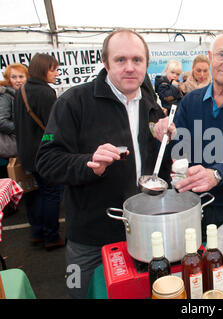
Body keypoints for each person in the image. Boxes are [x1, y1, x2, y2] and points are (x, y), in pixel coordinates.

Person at [35, 29, 171, 298]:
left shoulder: (150, 102)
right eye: (120, 60)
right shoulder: (73, 102)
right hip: (90, 236)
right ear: (106, 63)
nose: (129, 68)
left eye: (137, 60)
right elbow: (46, 160)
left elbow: (153, 160)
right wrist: (89, 163)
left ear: (146, 63)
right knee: (79, 293)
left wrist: (166, 141)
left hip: (145, 228)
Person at [153, 32, 223, 239]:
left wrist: (215, 174)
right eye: (221, 55)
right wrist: (166, 134)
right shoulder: (190, 101)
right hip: (192, 205)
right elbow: (179, 149)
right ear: (211, 56)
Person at [13, 54, 64, 251]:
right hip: (43, 153)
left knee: (33, 194)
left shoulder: (22, 90)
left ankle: (36, 233)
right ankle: (51, 236)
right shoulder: (45, 93)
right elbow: (53, 129)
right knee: (51, 194)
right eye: (53, 70)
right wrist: (56, 144)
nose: (56, 73)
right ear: (43, 70)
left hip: (26, 152)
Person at [0, 63, 29, 177]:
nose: (18, 80)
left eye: (21, 77)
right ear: (8, 79)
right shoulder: (5, 95)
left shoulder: (20, 94)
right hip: (7, 150)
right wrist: (23, 131)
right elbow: (1, 121)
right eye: (14, 77)